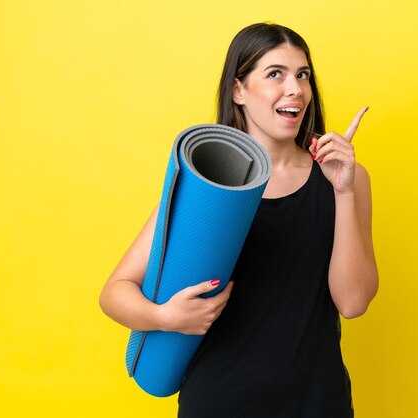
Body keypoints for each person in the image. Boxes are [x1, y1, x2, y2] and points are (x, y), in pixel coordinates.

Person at [100, 22, 378, 417]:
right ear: (238, 90)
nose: (295, 89)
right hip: (219, 402)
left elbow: (352, 302)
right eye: (275, 74)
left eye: (303, 75)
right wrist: (166, 317)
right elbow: (114, 293)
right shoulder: (208, 186)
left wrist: (344, 192)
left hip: (316, 401)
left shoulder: (343, 179)